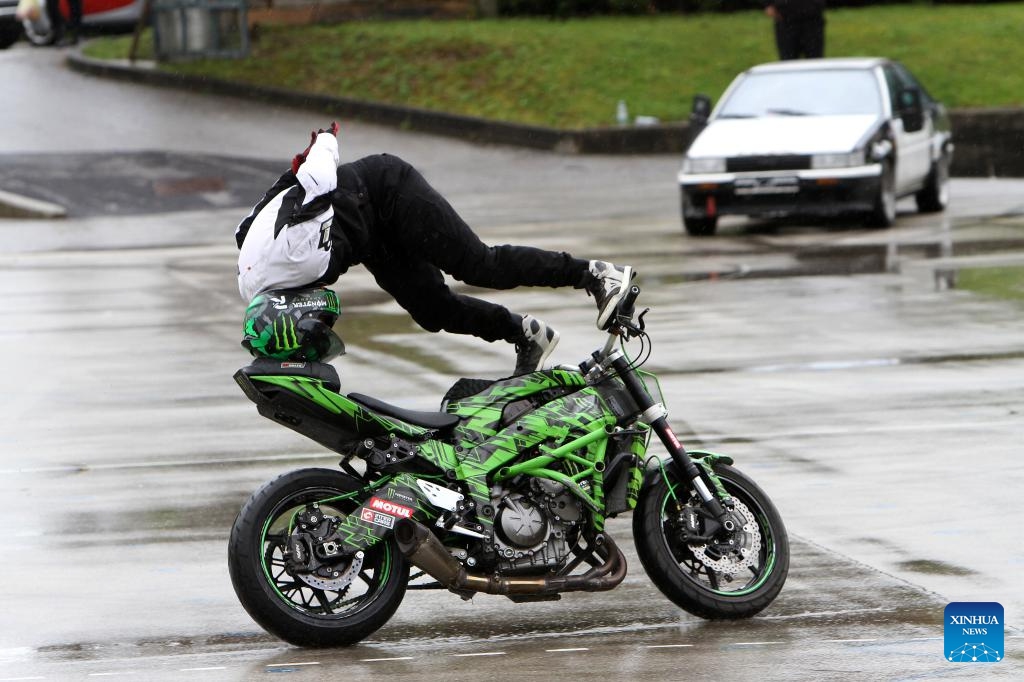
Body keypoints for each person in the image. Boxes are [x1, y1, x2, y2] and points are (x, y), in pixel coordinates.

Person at [235, 124, 635, 376]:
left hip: (388, 190)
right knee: (432, 310)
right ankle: (527, 334)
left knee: (480, 266)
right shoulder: (253, 281)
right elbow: (248, 224)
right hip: (371, 236)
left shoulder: (295, 253)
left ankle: (596, 275)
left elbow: (317, 173)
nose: (322, 319)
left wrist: (321, 144)